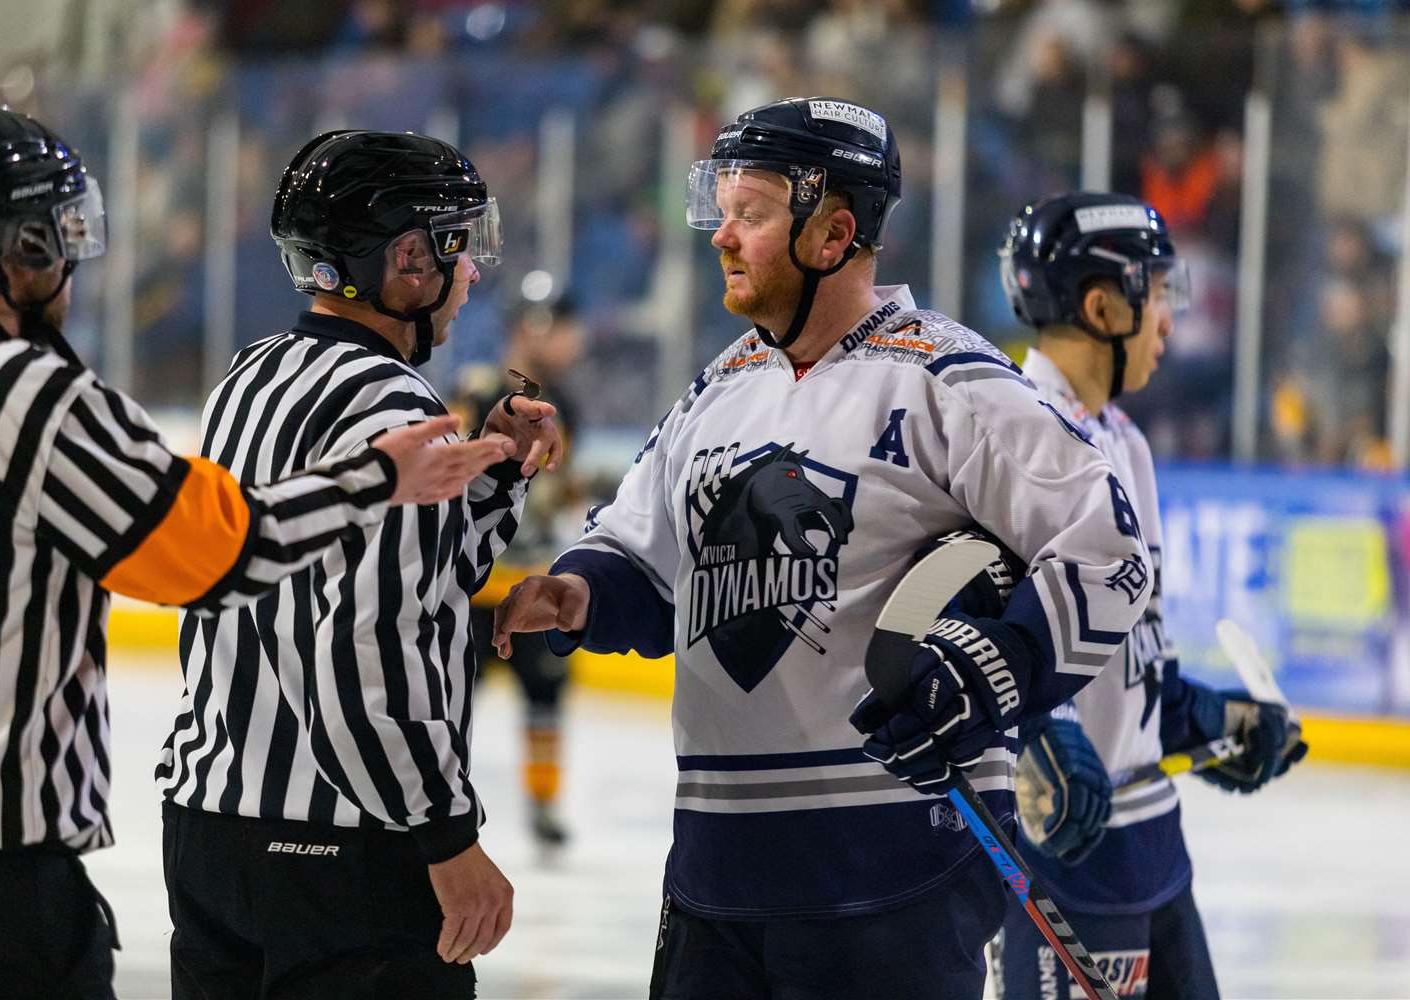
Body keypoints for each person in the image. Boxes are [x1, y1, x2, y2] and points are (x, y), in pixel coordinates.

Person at [492, 97, 1154, 999]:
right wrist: (579, 593)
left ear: (835, 232)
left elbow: (1107, 547)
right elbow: (644, 554)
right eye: (720, 210)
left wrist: (999, 667)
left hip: (892, 876)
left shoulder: (947, 381)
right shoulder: (719, 389)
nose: (721, 236)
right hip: (717, 877)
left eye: (751, 214)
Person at [0, 104, 507, 1000]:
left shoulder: (246, 372)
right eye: (58, 232)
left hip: (202, 821)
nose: (70, 258)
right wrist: (373, 479)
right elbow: (216, 561)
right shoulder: (29, 393)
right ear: (11, 248)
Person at [156, 129, 563, 1000]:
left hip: (208, 828)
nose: (474, 272)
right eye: (460, 243)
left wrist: (493, 470)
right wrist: (446, 838)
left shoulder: (250, 375)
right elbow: (370, 641)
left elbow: (360, 568)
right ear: (408, 258)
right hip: (341, 851)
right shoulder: (395, 403)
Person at [992, 191, 1309, 1000]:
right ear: (1103, 306)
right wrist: (1030, 734)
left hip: (1150, 852)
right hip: (1058, 854)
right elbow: (960, 646)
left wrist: (1218, 724)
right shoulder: (1004, 434)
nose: (1169, 319)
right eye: (1158, 294)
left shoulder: (1124, 442)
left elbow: (1130, 677)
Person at [460, 292, 589, 849]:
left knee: (545, 701)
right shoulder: (481, 391)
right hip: (476, 589)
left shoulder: (565, 404)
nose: (572, 342)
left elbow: (556, 489)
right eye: (563, 329)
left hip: (532, 578)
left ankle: (542, 804)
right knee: (450, 706)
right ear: (534, 330)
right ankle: (440, 803)